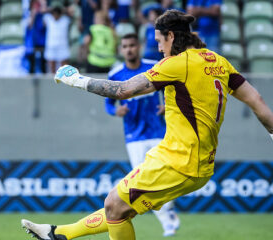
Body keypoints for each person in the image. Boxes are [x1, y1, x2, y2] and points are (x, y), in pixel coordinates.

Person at [22, 10, 273, 240]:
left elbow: (122, 90)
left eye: (160, 41)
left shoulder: (176, 64)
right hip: (189, 160)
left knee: (114, 205)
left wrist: (76, 80)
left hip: (180, 161)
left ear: (171, 36)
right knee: (118, 208)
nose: (159, 47)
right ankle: (58, 234)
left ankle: (58, 235)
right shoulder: (218, 61)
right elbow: (256, 100)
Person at [105, 33, 179, 237]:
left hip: (157, 131)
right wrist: (115, 111)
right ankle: (168, 219)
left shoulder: (153, 66)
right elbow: (108, 103)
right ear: (121, 50)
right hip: (134, 136)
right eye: (125, 46)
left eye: (132, 45)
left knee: (164, 175)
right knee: (144, 180)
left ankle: (168, 216)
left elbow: (172, 87)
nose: (129, 49)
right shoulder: (116, 74)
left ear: (138, 46)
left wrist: (167, 104)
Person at [43, 1, 70, 73]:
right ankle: (52, 83)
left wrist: (63, 10)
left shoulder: (65, 20)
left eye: (57, 11)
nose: (56, 14)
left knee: (64, 70)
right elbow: (42, 11)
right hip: (51, 46)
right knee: (52, 69)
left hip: (62, 46)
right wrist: (50, 9)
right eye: (54, 12)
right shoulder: (48, 18)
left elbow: (70, 13)